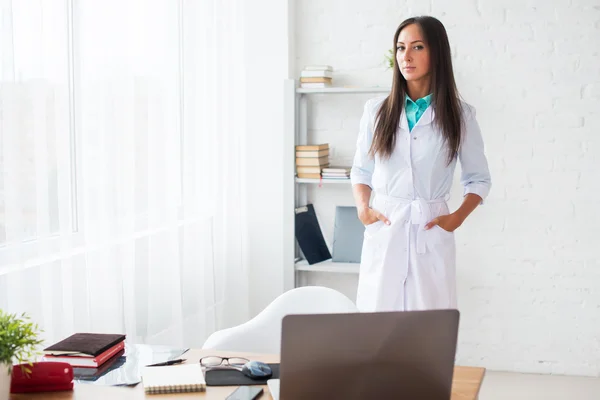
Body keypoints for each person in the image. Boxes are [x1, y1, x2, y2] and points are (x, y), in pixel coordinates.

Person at [350, 16, 491, 312]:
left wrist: (456, 218)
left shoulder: (460, 116)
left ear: (437, 53)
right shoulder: (376, 111)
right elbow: (361, 170)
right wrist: (363, 209)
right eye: (401, 48)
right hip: (386, 225)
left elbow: (478, 179)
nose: (406, 57)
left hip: (431, 226)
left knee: (428, 327)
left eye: (417, 47)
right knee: (377, 324)